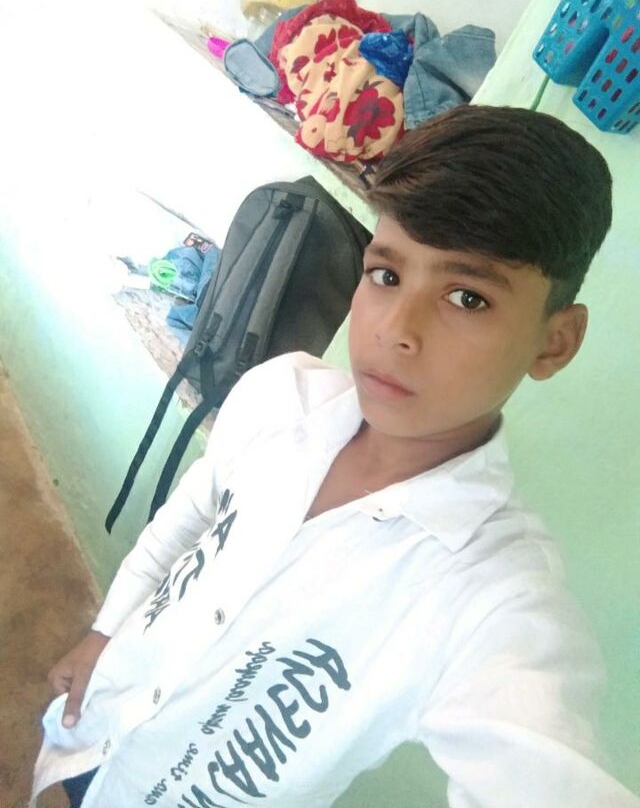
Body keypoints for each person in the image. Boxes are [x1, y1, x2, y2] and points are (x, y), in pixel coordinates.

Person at [32, 105, 639, 808]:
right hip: (83, 732)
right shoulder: (281, 394)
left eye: (467, 297)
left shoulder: (492, 596)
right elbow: (191, 514)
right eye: (386, 275)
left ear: (555, 342)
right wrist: (105, 632)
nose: (397, 330)